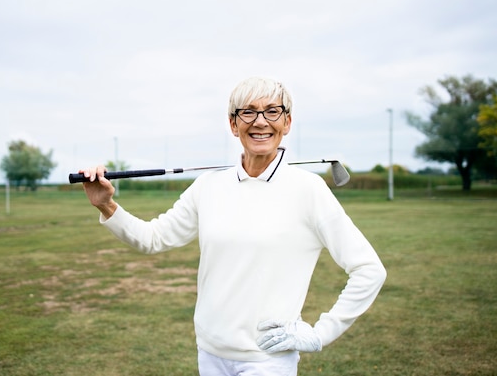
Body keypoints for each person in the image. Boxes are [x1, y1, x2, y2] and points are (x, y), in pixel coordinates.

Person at [80, 76, 386, 376]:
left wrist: (321, 333)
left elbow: (369, 269)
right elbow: (153, 238)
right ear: (233, 124)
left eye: (272, 111)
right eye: (248, 112)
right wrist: (105, 204)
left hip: (268, 359)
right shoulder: (207, 186)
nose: (261, 121)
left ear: (287, 123)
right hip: (211, 353)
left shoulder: (309, 189)